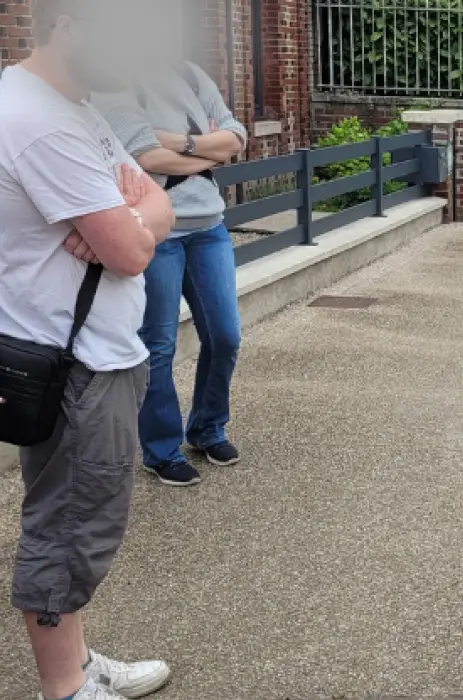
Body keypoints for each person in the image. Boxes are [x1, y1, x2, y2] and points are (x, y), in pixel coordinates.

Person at [1, 1, 179, 698]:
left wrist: (131, 215)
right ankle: (65, 692)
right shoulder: (39, 122)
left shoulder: (69, 104)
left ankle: (74, 664)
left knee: (80, 516)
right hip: (77, 367)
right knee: (69, 527)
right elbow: (134, 247)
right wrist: (131, 220)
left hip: (94, 353)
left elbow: (156, 202)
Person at [95, 6, 248, 488]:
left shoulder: (190, 73)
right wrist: (203, 145)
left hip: (210, 227)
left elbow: (236, 138)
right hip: (157, 233)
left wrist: (177, 143)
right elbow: (142, 156)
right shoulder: (114, 83)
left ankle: (206, 428)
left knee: (225, 336)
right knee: (157, 345)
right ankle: (160, 449)